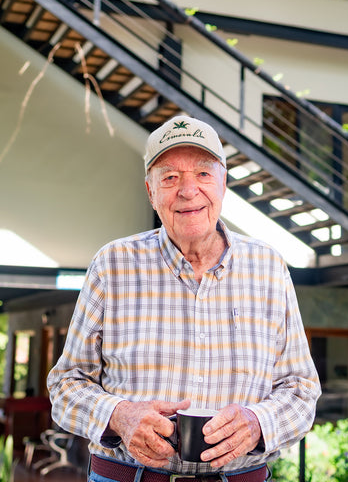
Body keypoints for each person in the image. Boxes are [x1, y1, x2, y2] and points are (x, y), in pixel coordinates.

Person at [47, 115, 321, 482]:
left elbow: (301, 390)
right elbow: (66, 383)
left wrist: (258, 422)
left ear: (223, 183)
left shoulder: (268, 267)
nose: (188, 191)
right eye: (170, 177)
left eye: (203, 174)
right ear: (151, 192)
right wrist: (120, 416)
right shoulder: (113, 264)